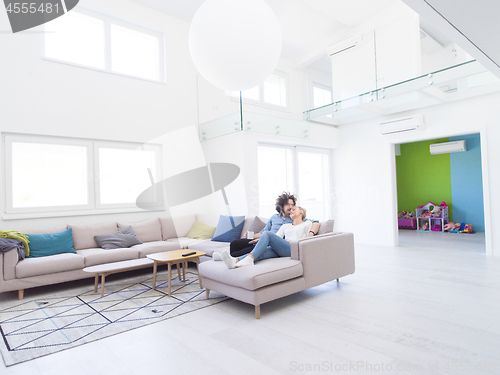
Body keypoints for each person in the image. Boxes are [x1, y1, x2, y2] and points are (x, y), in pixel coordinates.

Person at [219, 192, 319, 259]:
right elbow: (264, 232)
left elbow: (315, 222)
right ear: (281, 206)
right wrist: (252, 236)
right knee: (235, 243)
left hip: (274, 243)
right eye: (288, 205)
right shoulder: (274, 217)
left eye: (293, 205)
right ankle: (230, 259)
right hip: (264, 239)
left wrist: (310, 234)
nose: (291, 207)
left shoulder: (294, 218)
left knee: (248, 249)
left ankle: (229, 259)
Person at [221, 206, 311, 269]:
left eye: (294, 209)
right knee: (261, 253)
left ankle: (247, 259)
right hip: (283, 249)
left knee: (267, 233)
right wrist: (262, 240)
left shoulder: (307, 224)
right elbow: (276, 238)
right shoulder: (286, 226)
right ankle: (235, 261)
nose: (291, 211)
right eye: (290, 210)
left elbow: (308, 240)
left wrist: (294, 242)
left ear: (301, 211)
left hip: (294, 249)